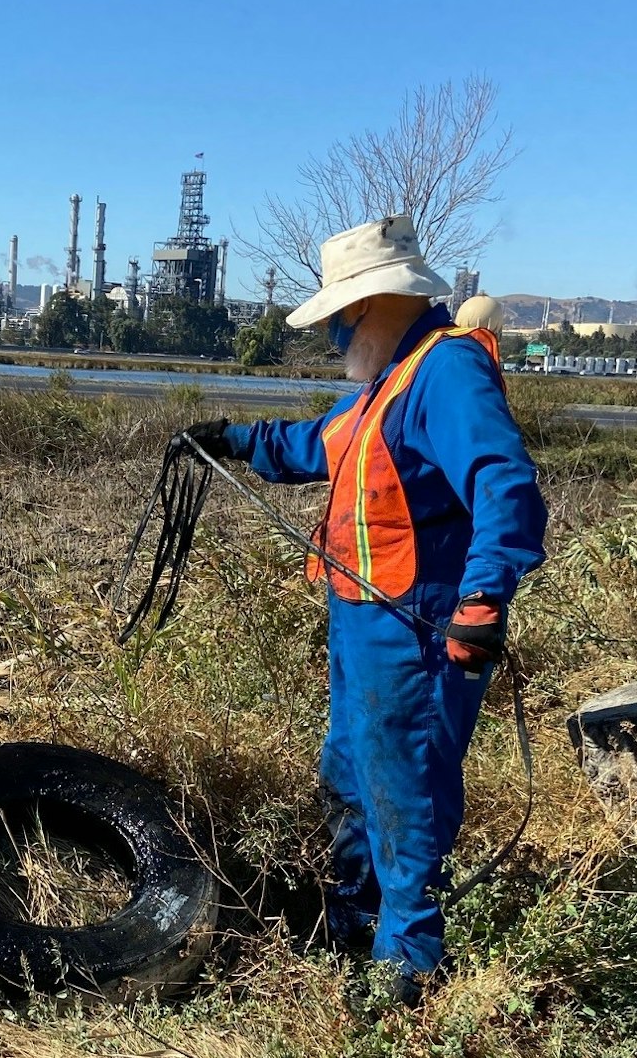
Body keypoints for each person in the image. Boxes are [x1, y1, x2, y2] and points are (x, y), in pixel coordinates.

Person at [185, 216, 547, 1002]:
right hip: (359, 616)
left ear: (378, 302)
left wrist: (484, 598)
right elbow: (321, 443)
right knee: (349, 770)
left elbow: (504, 482)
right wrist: (236, 439)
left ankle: (408, 965)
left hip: (417, 621)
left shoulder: (446, 372)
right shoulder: (390, 379)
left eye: (342, 320)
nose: (338, 337)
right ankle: (351, 918)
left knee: (404, 783)